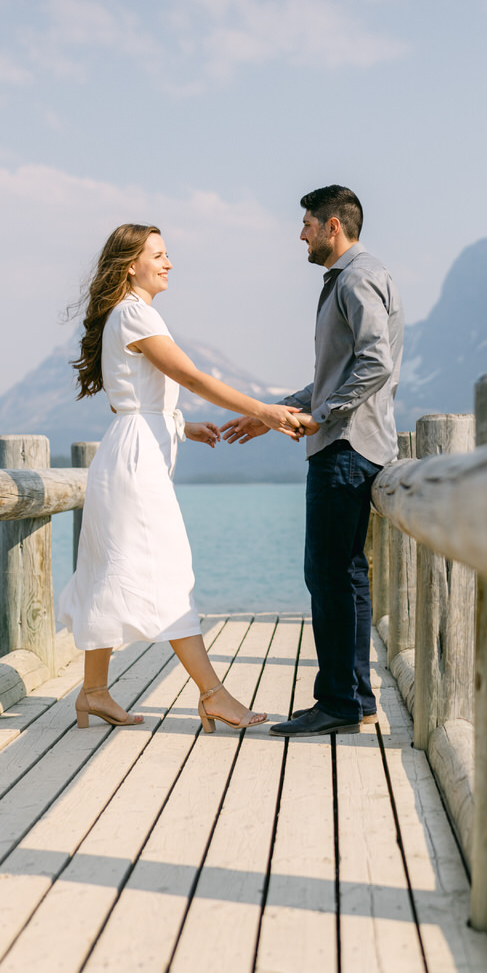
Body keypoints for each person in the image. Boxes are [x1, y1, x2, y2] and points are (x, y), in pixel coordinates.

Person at [56, 223, 304, 733]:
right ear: (131, 264)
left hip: (128, 456)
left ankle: (94, 692)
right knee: (168, 573)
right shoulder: (134, 313)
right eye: (159, 255)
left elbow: (133, 400)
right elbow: (189, 376)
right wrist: (266, 410)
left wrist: (181, 427)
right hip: (135, 466)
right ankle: (214, 695)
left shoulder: (128, 314)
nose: (169, 264)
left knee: (109, 572)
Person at [221, 185, 403, 737]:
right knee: (344, 575)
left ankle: (339, 703)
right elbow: (339, 374)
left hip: (345, 449)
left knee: (327, 575)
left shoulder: (355, 277)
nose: (299, 234)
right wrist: (277, 411)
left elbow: (375, 363)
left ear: (332, 227)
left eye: (306, 224)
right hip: (349, 443)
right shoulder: (353, 277)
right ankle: (356, 698)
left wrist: (324, 417)